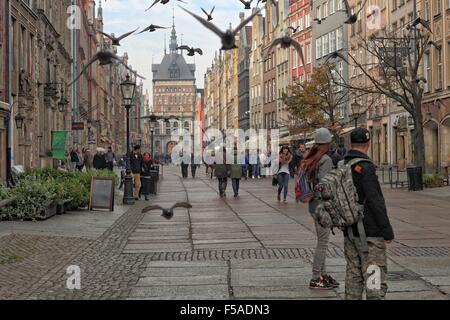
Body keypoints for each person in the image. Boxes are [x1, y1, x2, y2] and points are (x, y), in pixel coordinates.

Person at [343, 128, 394, 300]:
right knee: (374, 275)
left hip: (349, 230)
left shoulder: (343, 165)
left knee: (353, 274)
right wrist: (386, 230)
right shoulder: (365, 167)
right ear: (368, 143)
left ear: (351, 143)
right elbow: (375, 200)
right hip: (370, 232)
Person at [300, 128, 339, 290]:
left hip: (313, 205)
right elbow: (325, 185)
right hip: (322, 205)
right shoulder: (325, 159)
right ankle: (316, 277)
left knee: (321, 241)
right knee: (322, 243)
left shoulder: (312, 158)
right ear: (327, 143)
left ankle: (323, 275)